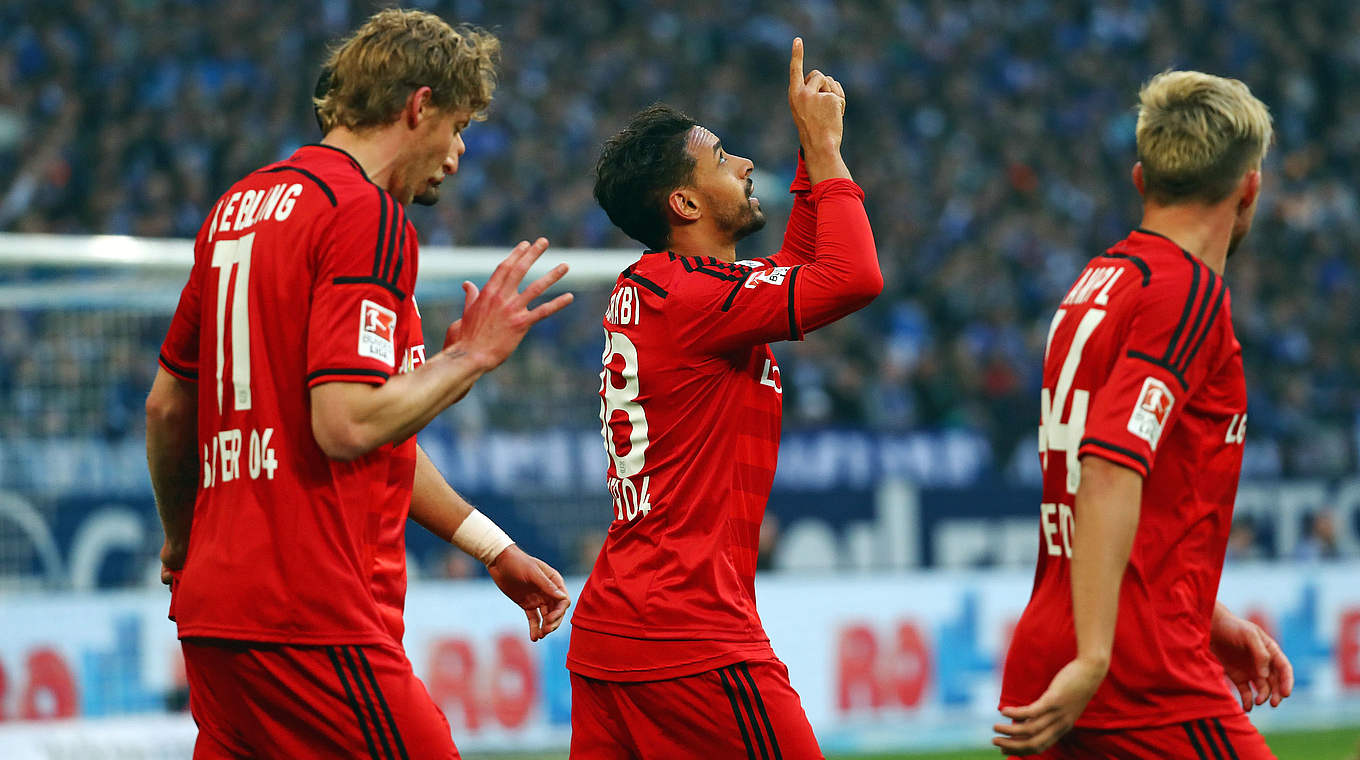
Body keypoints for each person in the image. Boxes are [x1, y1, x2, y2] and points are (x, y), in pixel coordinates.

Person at [144, 9, 572, 758]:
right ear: (419, 106)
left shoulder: (235, 211)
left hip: (217, 616)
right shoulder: (365, 216)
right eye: (459, 125)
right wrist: (466, 358)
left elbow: (168, 404)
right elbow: (344, 427)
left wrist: (492, 546)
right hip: (311, 615)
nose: (458, 154)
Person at [566, 39, 882, 759]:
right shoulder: (695, 301)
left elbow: (803, 265)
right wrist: (827, 154)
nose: (744, 164)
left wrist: (810, 151)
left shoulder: (670, 290)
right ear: (683, 202)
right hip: (691, 634)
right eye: (722, 160)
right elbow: (854, 276)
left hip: (618, 632)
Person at [994, 71, 1294, 758]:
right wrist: (1098, 656)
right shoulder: (1184, 293)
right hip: (1135, 674)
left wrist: (1204, 614)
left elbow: (1112, 492)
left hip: (1047, 651)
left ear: (1140, 178)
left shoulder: (1097, 285)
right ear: (1250, 187)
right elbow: (1106, 468)